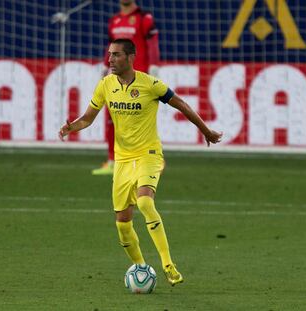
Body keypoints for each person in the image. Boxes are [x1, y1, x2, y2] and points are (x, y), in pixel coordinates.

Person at [59, 38, 222, 286]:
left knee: (145, 201)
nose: (110, 60)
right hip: (123, 161)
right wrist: (73, 127)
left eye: (116, 55)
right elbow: (88, 118)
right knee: (123, 224)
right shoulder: (105, 85)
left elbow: (183, 105)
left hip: (149, 154)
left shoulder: (150, 84)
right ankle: (140, 266)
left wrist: (206, 130)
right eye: (109, 55)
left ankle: (168, 265)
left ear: (131, 57)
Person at [92, 0, 160, 175]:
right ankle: (112, 161)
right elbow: (110, 47)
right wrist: (104, 65)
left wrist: (154, 65)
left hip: (139, 78)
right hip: (117, 78)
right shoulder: (113, 20)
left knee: (138, 121)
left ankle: (148, 159)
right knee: (112, 117)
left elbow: (152, 43)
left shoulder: (144, 18)